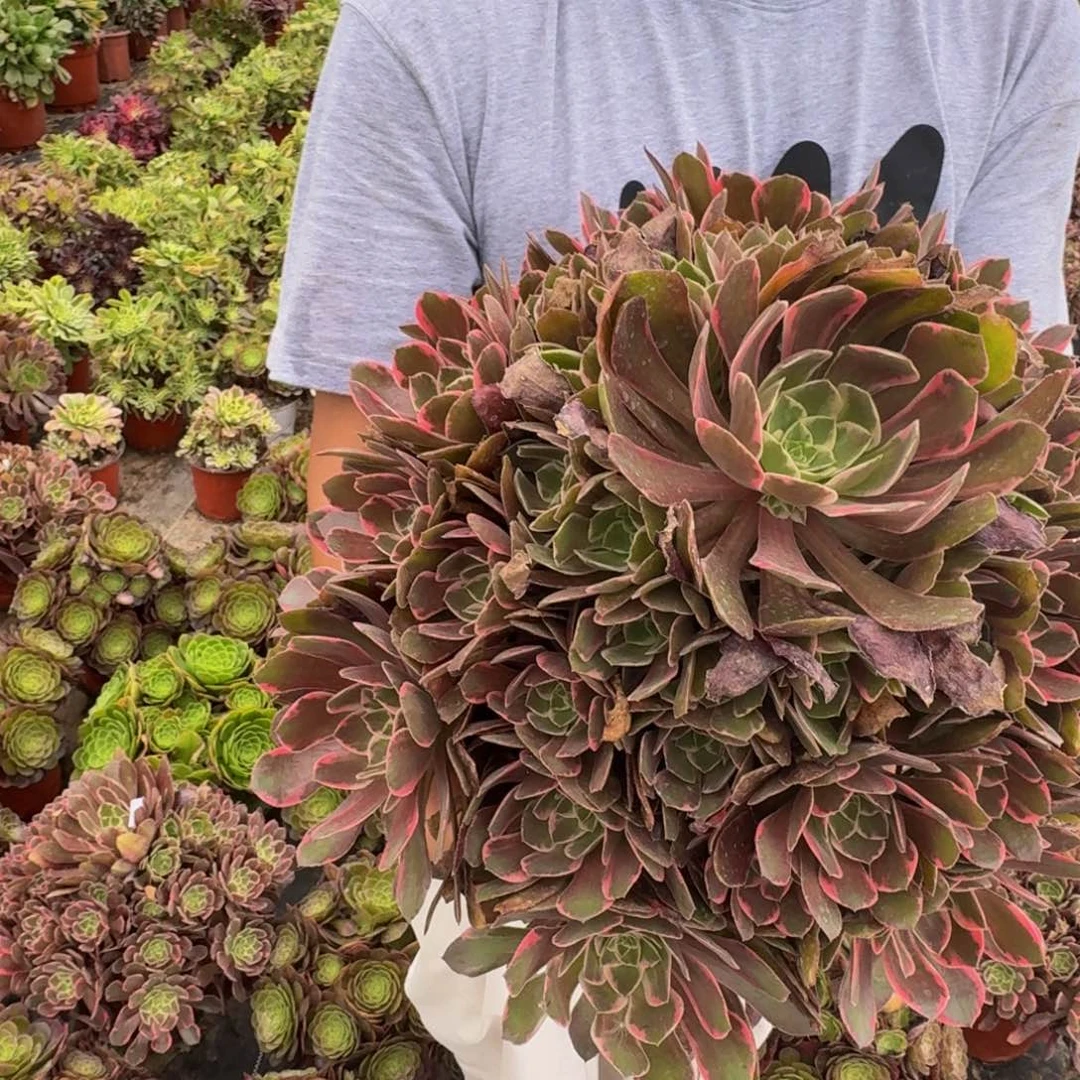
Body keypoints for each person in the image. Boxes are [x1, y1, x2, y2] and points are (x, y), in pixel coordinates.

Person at [268, 2, 1080, 1077]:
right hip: (527, 812)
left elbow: (1008, 401)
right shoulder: (430, 29)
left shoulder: (1019, 19)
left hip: (833, 821)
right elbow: (356, 517)